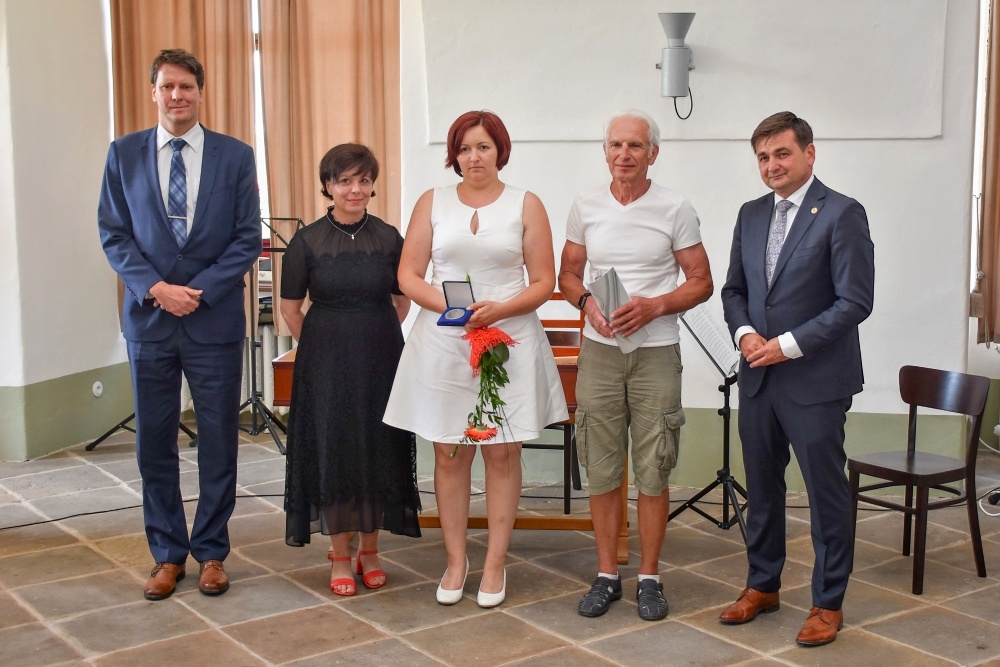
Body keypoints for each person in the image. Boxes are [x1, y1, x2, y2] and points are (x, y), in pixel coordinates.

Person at [384, 110, 567, 608]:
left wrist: (499, 310)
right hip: (445, 341)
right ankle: (455, 561)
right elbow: (409, 275)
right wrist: (455, 311)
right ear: (454, 155)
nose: (474, 157)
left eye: (483, 146)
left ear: (500, 150)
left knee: (502, 452)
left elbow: (543, 281)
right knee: (450, 451)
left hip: (509, 337)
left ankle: (494, 564)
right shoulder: (433, 201)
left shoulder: (526, 203)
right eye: (464, 148)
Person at [98, 49, 261, 600]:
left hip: (214, 322)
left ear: (200, 92)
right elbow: (114, 233)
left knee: (218, 441)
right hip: (149, 322)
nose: (177, 95)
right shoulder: (123, 154)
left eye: (186, 86)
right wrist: (156, 288)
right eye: (167, 86)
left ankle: (212, 551)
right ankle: (167, 554)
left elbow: (246, 237)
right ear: (154, 92)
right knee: (154, 445)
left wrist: (200, 291)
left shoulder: (235, 157)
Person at [719, 111, 875, 647]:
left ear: (809, 153)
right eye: (763, 157)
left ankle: (828, 602)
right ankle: (762, 586)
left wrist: (785, 346)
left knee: (825, 496)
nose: (772, 165)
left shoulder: (842, 213)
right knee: (762, 491)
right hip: (758, 378)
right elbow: (734, 290)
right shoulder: (750, 214)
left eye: (782, 153)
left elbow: (854, 302)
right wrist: (745, 335)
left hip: (815, 381)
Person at [558, 110, 713, 622]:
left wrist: (656, 305)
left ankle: (649, 577)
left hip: (655, 353)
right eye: (616, 145)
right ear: (605, 151)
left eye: (635, 146)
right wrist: (587, 304)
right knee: (601, 465)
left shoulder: (674, 207)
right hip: (600, 352)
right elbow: (568, 273)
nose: (624, 154)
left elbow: (701, 281)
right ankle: (607, 574)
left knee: (653, 466)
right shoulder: (586, 205)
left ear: (653, 153)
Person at [281, 143, 421, 595]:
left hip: (380, 355)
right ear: (328, 185)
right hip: (325, 362)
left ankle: (371, 552)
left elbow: (402, 299)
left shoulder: (389, 237)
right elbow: (290, 310)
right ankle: (341, 555)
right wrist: (321, 346)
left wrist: (375, 333)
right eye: (345, 181)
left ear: (373, 185)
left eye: (363, 180)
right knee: (335, 450)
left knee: (378, 448)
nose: (355, 189)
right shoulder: (306, 242)